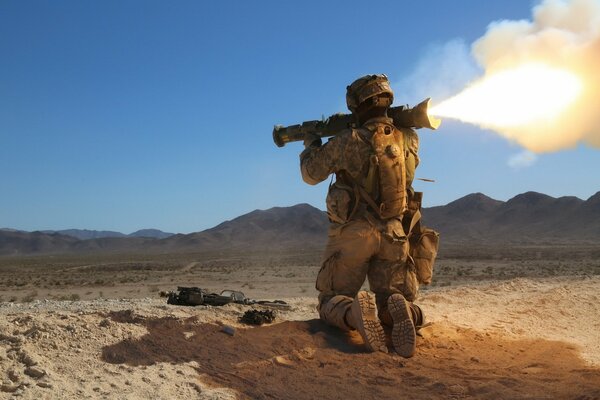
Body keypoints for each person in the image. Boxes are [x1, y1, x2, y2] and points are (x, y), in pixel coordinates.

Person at [300, 74, 439, 357]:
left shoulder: (348, 140)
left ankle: (354, 314)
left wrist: (310, 144)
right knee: (394, 297)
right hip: (395, 234)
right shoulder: (410, 138)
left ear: (356, 105)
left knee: (330, 299)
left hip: (355, 234)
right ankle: (404, 313)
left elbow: (310, 174)